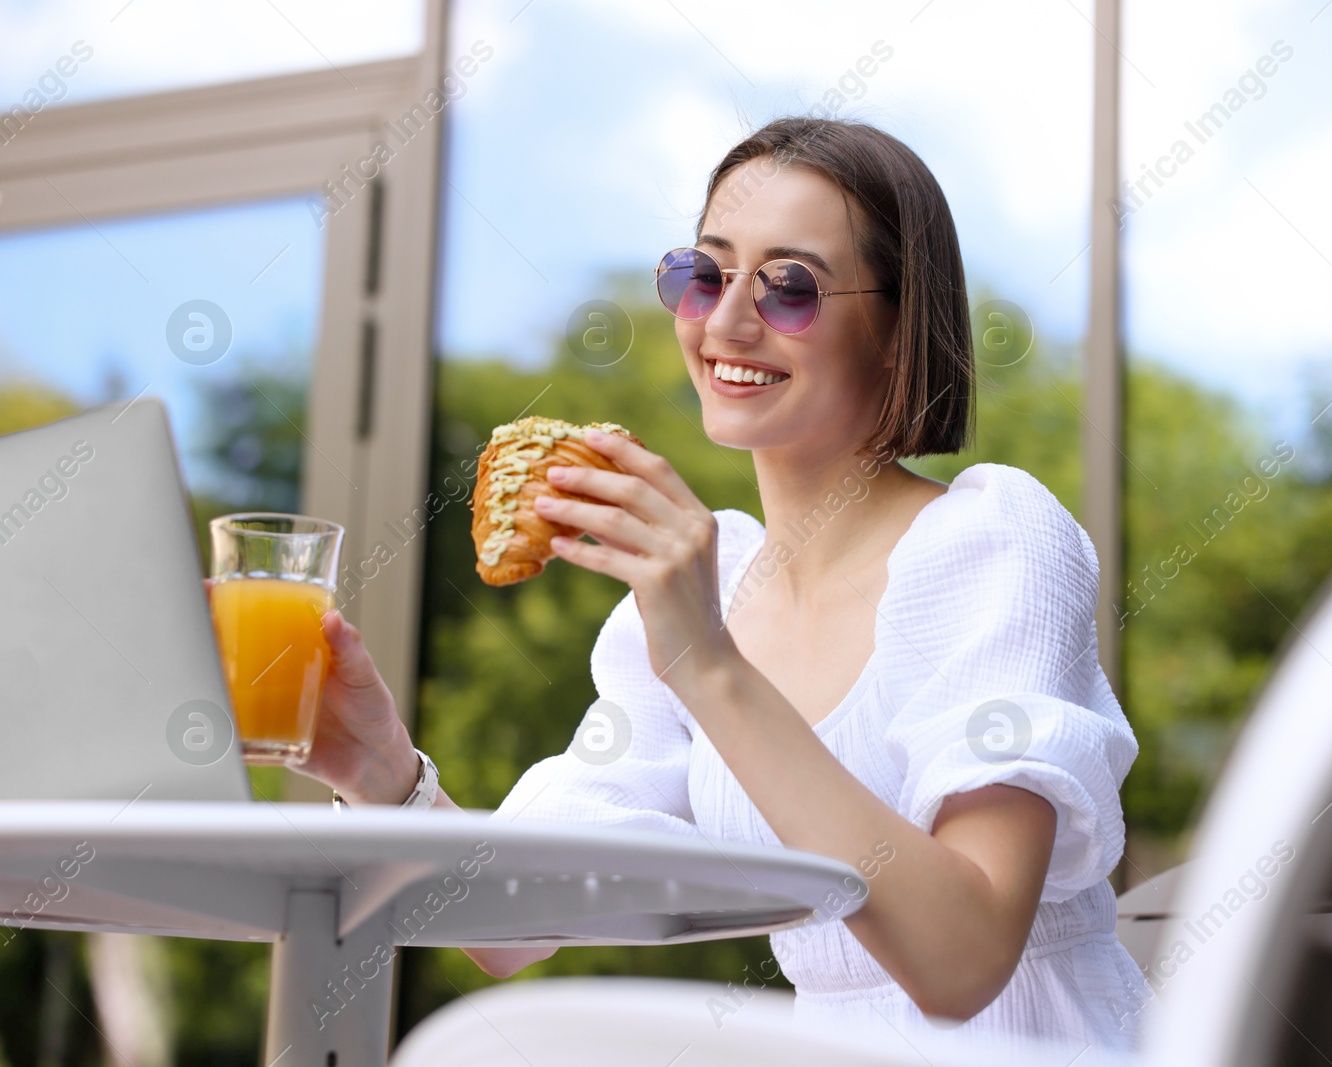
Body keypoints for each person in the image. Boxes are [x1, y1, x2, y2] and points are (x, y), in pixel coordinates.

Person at [297, 116, 1151, 1050]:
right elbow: (510, 925)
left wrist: (706, 657)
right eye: (702, 274)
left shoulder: (992, 541)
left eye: (790, 286)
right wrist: (385, 774)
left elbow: (963, 960)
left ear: (900, 326)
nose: (726, 320)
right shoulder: (717, 579)